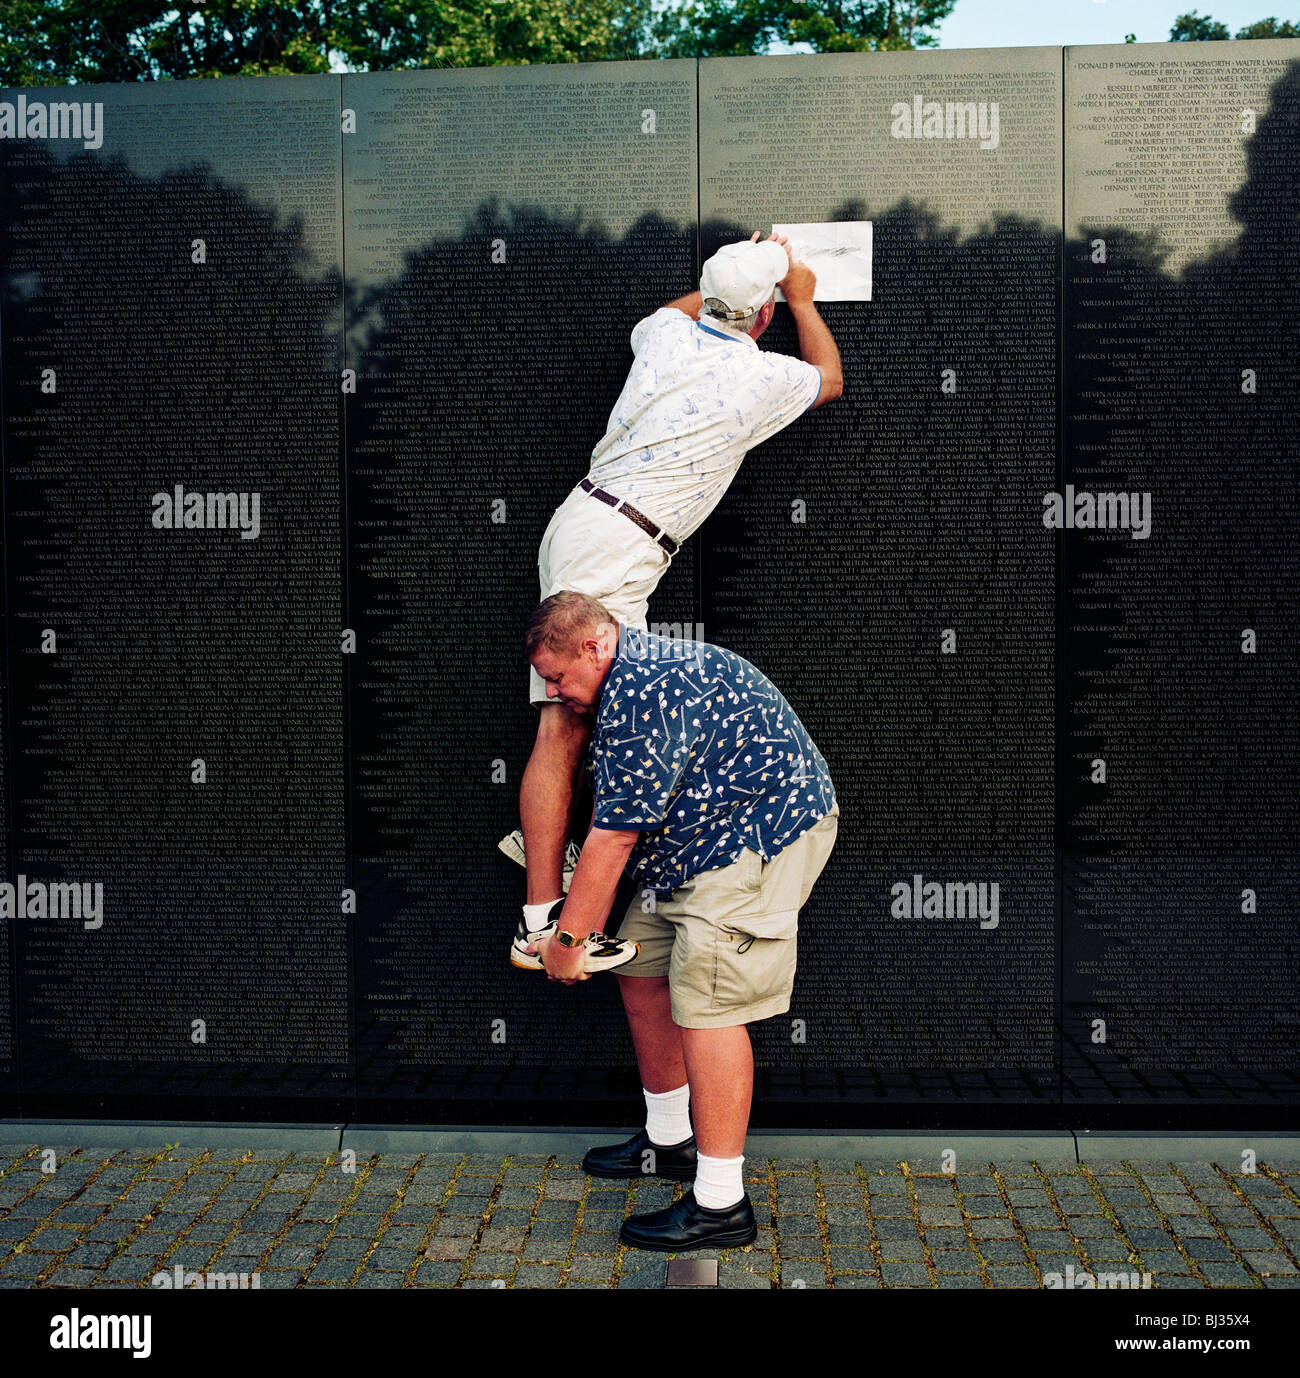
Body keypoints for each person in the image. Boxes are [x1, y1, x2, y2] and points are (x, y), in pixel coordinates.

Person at [506, 232, 843, 973]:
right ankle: (541, 920)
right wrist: (803, 297)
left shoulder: (662, 332)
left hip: (587, 520)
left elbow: (677, 309)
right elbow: (830, 377)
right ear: (763, 320)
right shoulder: (761, 376)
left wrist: (736, 275)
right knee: (565, 723)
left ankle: (551, 892)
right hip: (618, 544)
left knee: (585, 715)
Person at [522, 591, 839, 1251]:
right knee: (638, 965)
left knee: (710, 1001)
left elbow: (613, 838)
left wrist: (566, 944)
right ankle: (671, 1140)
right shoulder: (618, 686)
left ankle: (722, 1204)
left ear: (594, 645)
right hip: (692, 841)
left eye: (558, 677)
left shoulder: (645, 693)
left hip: (760, 833)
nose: (554, 691)